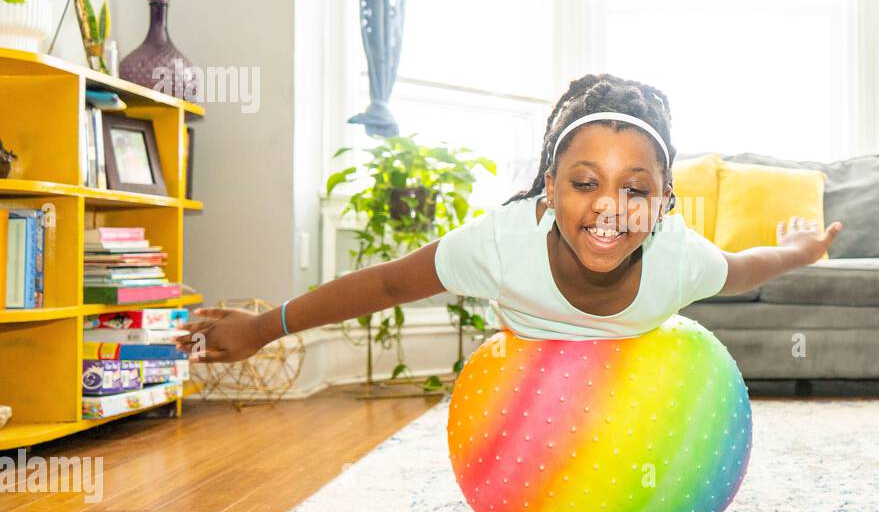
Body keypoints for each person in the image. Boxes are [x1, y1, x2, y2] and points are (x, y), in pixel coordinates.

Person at [178, 73, 843, 362]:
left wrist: (804, 249)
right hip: (529, 389)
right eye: (585, 182)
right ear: (548, 189)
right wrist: (263, 328)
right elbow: (385, 284)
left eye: (636, 190)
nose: (610, 205)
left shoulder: (676, 256)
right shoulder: (501, 243)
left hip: (638, 390)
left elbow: (744, 266)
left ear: (665, 204)